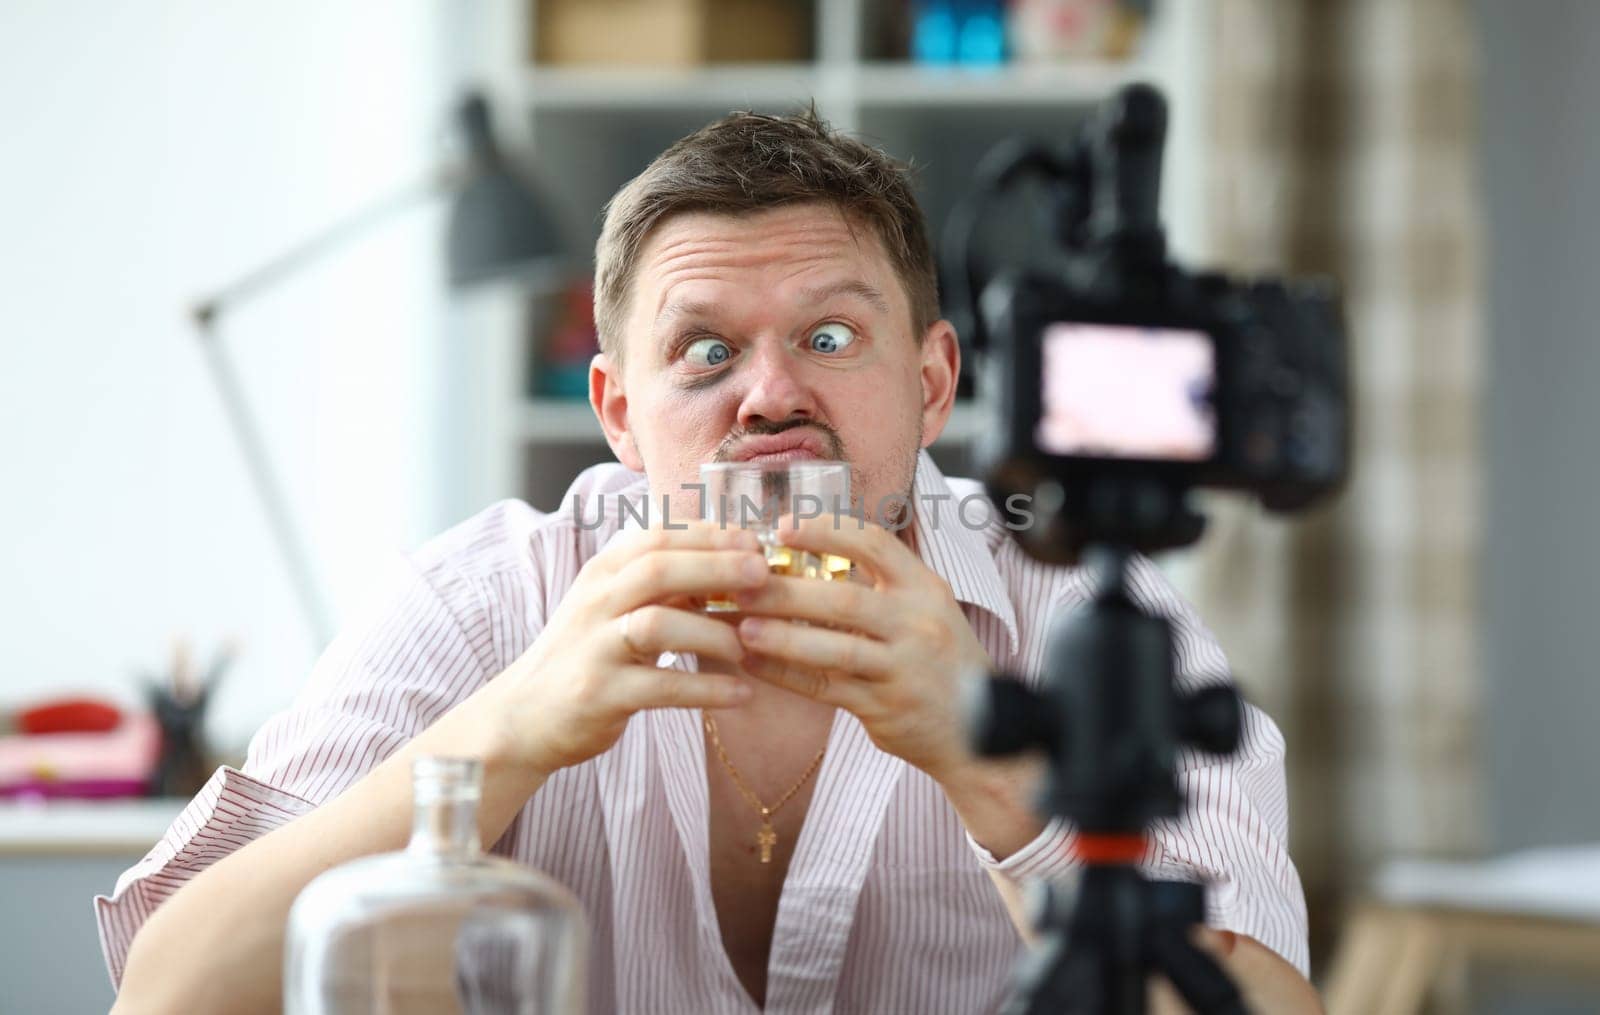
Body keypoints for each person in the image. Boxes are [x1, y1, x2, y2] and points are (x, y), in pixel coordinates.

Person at [101, 109, 1319, 1013]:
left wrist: (991, 772)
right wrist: (513, 727)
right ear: (618, 414)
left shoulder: (1088, 609)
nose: (771, 396)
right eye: (702, 353)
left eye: (830, 336)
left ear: (935, 381)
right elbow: (167, 996)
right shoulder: (486, 601)